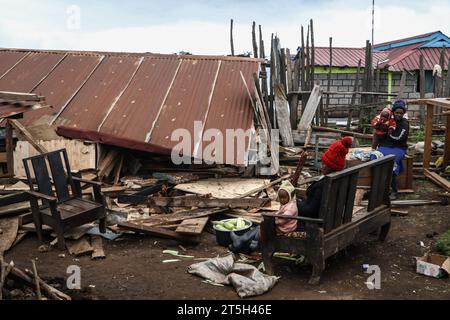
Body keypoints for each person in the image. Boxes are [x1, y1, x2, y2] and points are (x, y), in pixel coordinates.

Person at [296, 136, 353, 219]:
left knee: (273, 219)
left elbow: (310, 211)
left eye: (324, 164)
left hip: (315, 221)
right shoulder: (340, 179)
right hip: (332, 219)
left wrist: (295, 204)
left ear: (331, 166)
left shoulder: (324, 185)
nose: (322, 165)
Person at [372, 100, 409, 200]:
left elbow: (399, 138)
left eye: (401, 113)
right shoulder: (387, 119)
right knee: (374, 157)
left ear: (403, 113)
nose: (399, 115)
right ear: (393, 112)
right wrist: (380, 130)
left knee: (391, 162)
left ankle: (394, 190)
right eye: (397, 112)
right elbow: (378, 131)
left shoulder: (404, 123)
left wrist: (388, 133)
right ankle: (378, 187)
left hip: (398, 147)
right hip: (385, 146)